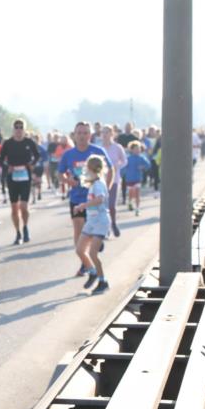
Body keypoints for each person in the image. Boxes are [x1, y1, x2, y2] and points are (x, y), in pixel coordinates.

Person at [58, 121, 112, 276]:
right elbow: (60, 173)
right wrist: (69, 181)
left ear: (90, 135)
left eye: (85, 133)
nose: (82, 136)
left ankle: (96, 243)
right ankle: (84, 262)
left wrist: (106, 187)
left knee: (94, 226)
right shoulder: (68, 154)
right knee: (79, 229)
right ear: (74, 135)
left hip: (95, 199)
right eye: (79, 133)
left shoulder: (97, 151)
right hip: (77, 198)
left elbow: (111, 169)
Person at [0, 119, 40, 245]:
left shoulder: (29, 142)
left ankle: (25, 227)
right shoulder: (8, 143)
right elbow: (0, 160)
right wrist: (7, 167)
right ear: (13, 129)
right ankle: (18, 233)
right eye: (16, 127)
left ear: (24, 129)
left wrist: (32, 164)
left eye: (21, 127)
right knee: (14, 208)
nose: (18, 129)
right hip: (12, 177)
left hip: (25, 175)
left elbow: (37, 156)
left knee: (23, 206)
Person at [73, 155, 111, 294]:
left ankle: (103, 281)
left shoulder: (99, 184)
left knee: (93, 253)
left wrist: (83, 205)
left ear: (91, 168)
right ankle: (92, 272)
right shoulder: (93, 184)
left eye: (86, 168)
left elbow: (100, 199)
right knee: (80, 249)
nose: (85, 171)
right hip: (91, 221)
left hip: (100, 221)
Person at [100, 125, 127, 237]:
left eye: (107, 132)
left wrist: (117, 166)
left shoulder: (117, 147)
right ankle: (106, 228)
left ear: (112, 134)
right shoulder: (99, 148)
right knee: (103, 205)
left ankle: (114, 223)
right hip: (101, 180)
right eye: (103, 132)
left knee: (111, 205)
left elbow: (125, 161)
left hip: (114, 180)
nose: (105, 134)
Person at [122, 141, 151, 215]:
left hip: (138, 178)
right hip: (129, 178)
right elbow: (123, 168)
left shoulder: (142, 158)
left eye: (139, 149)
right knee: (131, 193)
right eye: (135, 149)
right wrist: (123, 174)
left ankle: (137, 209)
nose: (137, 150)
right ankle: (130, 203)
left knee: (137, 193)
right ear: (131, 150)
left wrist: (143, 167)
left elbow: (148, 165)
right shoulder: (128, 158)